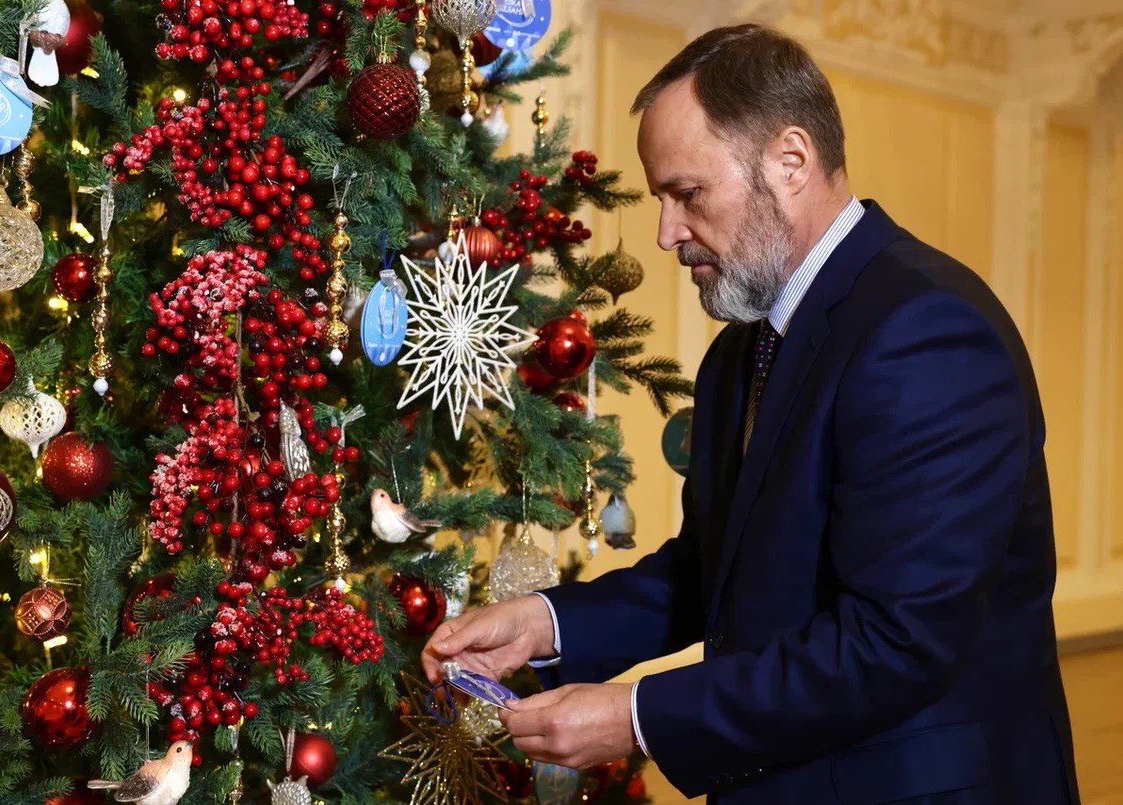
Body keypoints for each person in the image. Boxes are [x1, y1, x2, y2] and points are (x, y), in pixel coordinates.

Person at [422, 24, 1079, 804]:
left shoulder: (927, 330)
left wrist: (638, 717)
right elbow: (716, 571)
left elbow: (894, 644)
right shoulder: (742, 349)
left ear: (790, 161)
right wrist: (545, 623)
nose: (666, 233)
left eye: (687, 194)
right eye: (661, 199)